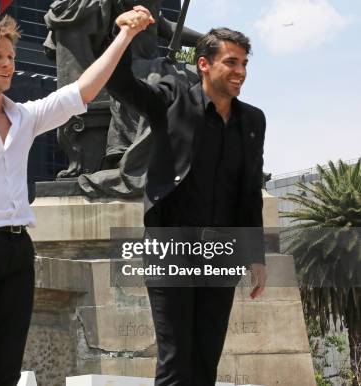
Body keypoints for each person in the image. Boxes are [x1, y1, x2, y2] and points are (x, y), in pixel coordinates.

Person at [0, 10, 154, 386]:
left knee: (6, 369)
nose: (7, 65)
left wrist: (123, 36)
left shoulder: (25, 118)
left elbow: (84, 89)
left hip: (18, 250)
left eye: (10, 58)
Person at [107, 10, 268, 386]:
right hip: (171, 246)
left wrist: (255, 256)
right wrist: (124, 35)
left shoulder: (253, 121)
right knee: (177, 361)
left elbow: (249, 193)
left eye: (243, 63)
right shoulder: (171, 98)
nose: (239, 71)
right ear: (203, 64)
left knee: (205, 361)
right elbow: (120, 84)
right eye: (231, 62)